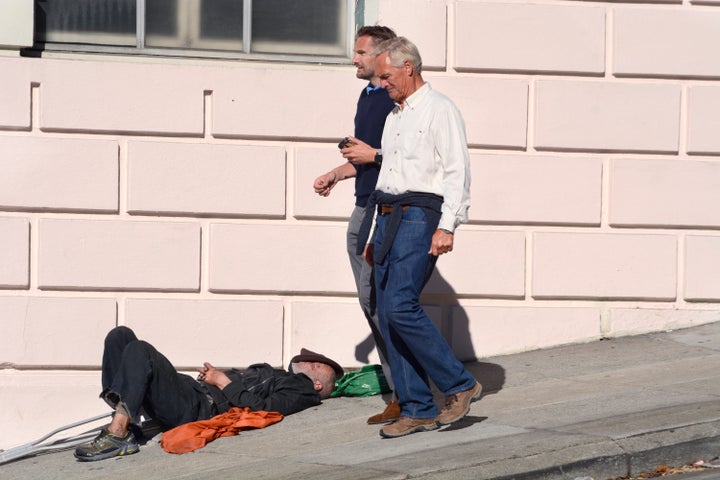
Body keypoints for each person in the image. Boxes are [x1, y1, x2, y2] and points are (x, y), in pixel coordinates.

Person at [357, 36, 481, 438]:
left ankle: (460, 384)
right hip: (389, 215)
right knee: (386, 311)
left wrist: (448, 225)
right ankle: (416, 408)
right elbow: (390, 174)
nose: (383, 83)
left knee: (400, 305)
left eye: (387, 76)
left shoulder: (440, 109)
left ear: (409, 67)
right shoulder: (395, 116)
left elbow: (456, 171)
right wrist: (376, 236)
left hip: (421, 214)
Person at [74, 326, 343, 461]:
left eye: (314, 365)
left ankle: (119, 435)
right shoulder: (284, 377)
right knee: (120, 336)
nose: (305, 360)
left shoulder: (301, 390)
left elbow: (262, 408)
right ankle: (124, 421)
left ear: (317, 384)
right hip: (191, 393)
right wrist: (215, 380)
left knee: (141, 350)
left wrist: (222, 381)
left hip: (197, 407)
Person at [313, 25, 400, 425]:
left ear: (382, 55)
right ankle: (410, 390)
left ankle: (409, 392)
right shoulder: (367, 97)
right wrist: (337, 172)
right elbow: (365, 158)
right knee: (373, 304)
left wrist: (374, 155)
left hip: (384, 208)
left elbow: (407, 155)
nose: (354, 58)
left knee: (382, 304)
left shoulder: (394, 98)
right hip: (363, 204)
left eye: (361, 52)